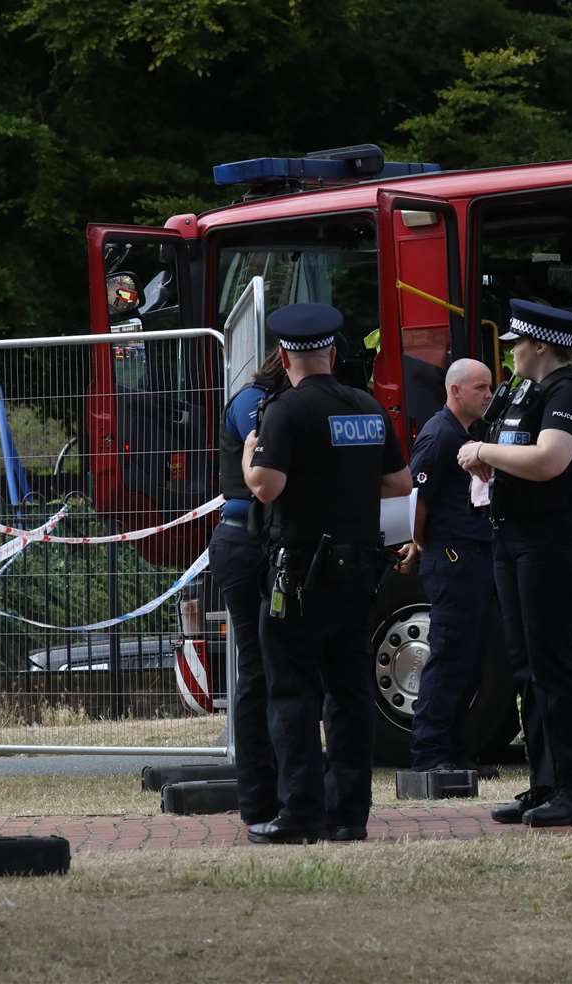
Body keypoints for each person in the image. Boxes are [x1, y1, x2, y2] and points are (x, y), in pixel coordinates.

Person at [243, 303, 411, 843]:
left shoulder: (286, 411)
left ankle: (299, 813)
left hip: (298, 574)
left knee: (293, 694)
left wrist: (251, 459)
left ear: (286, 356)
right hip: (358, 570)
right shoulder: (366, 405)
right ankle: (349, 814)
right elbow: (400, 483)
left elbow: (266, 486)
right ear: (334, 353)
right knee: (350, 694)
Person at [458, 299, 572, 828]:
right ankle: (545, 784)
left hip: (548, 541)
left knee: (552, 666)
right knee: (526, 667)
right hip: (512, 536)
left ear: (540, 345)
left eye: (516, 343)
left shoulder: (569, 392)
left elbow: (549, 459)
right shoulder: (526, 392)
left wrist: (484, 454)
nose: (511, 352)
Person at [397, 358, 496, 772]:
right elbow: (417, 502)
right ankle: (430, 755)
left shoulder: (466, 434)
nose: (489, 395)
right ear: (456, 391)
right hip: (451, 557)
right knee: (450, 656)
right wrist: (421, 543)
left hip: (471, 555)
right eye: (481, 388)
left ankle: (455, 753)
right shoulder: (439, 437)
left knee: (469, 660)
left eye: (490, 387)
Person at [210, 356, 287, 826]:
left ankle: (277, 785)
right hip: (248, 539)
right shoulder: (254, 405)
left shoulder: (270, 403)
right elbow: (264, 472)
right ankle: (260, 793)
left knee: (275, 665)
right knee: (259, 667)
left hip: (264, 540)